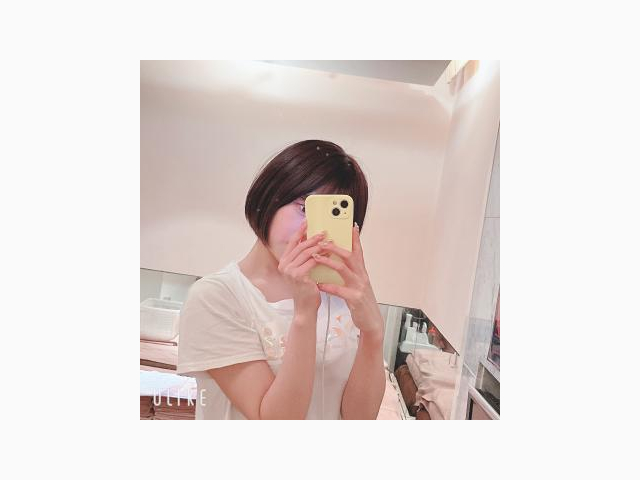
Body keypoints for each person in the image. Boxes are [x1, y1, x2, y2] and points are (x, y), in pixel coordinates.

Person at [177, 139, 386, 419]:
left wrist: (373, 333)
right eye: (304, 209)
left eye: (332, 217)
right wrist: (304, 314)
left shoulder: (344, 295)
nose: (314, 232)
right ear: (270, 197)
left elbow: (359, 418)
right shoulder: (217, 297)